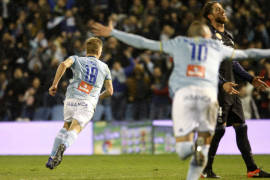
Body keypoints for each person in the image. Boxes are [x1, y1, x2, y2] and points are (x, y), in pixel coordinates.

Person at [91, 21, 270, 180]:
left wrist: (114, 33)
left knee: (184, 150)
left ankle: (194, 152)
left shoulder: (178, 43)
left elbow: (145, 43)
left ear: (190, 35)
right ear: (207, 35)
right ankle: (201, 152)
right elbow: (249, 53)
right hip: (208, 97)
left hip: (184, 96)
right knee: (206, 139)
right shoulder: (216, 47)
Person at [201, 1, 270, 178]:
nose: (222, 11)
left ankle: (252, 169)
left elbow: (234, 63)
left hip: (232, 89)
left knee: (241, 127)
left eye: (222, 9)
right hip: (218, 90)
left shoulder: (229, 36)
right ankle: (204, 168)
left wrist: (251, 78)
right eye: (217, 10)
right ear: (210, 16)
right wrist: (221, 83)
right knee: (219, 129)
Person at [45, 37, 113, 169]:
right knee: (75, 128)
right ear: (99, 51)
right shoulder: (104, 67)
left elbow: (63, 64)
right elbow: (110, 91)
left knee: (66, 126)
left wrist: (54, 85)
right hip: (87, 102)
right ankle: (63, 146)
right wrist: (97, 97)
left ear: (86, 50)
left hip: (71, 98)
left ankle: (51, 158)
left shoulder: (76, 59)